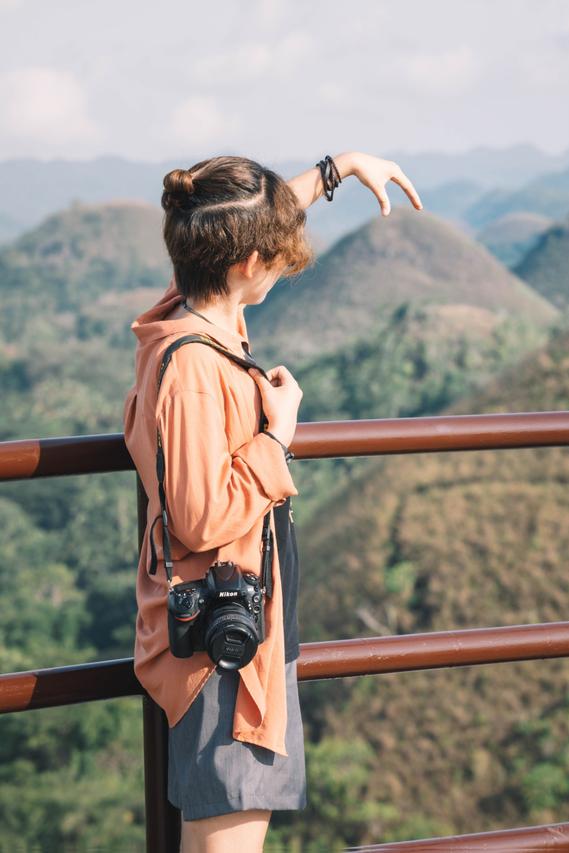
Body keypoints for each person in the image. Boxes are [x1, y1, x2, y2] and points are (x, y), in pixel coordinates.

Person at [123, 151, 423, 853]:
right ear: (246, 263)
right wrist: (278, 436)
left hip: (236, 624)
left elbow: (236, 229)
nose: (286, 264)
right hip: (223, 649)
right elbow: (200, 516)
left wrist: (335, 169)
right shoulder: (196, 367)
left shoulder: (187, 315)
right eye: (277, 254)